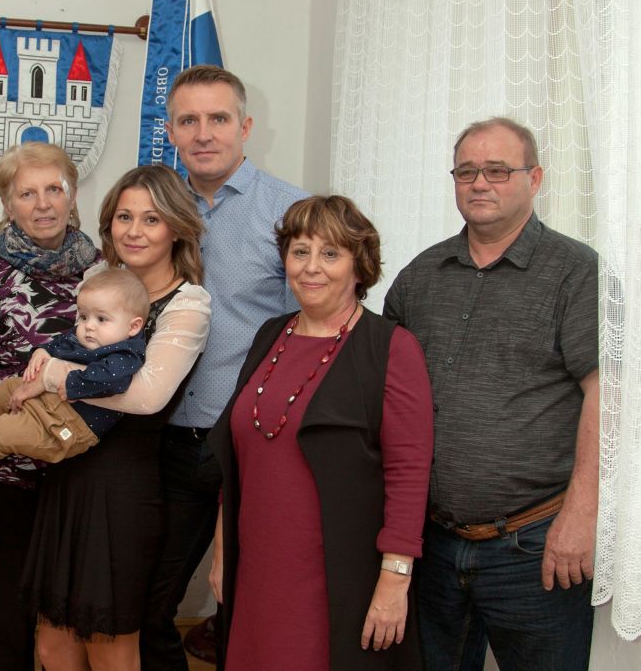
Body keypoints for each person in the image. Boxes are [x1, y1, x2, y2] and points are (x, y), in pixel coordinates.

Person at [383, 117, 599, 671]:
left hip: (533, 547)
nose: (480, 183)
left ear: (535, 178)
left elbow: (607, 398)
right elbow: (387, 401)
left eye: (498, 170)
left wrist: (582, 515)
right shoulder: (420, 276)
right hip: (432, 545)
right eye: (466, 171)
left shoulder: (576, 273)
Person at [208, 195, 433, 670]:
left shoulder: (390, 347)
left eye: (330, 253)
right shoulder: (270, 334)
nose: (311, 267)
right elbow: (237, 456)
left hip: (336, 577)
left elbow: (409, 473)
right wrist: (223, 550)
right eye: (300, 251)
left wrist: (394, 581)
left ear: (359, 265)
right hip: (256, 568)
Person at [143, 64, 310, 670]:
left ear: (245, 126)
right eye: (188, 120)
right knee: (146, 604)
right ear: (170, 131)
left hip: (250, 444)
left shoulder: (290, 212)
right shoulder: (154, 207)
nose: (204, 133)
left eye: (218, 118)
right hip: (164, 438)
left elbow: (307, 334)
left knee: (243, 610)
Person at [24, 164, 211, 670]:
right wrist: (47, 360)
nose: (134, 231)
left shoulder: (188, 305)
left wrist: (53, 376)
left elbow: (146, 396)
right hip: (68, 475)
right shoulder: (96, 282)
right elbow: (70, 351)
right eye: (124, 217)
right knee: (52, 644)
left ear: (176, 228)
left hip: (123, 489)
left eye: (151, 219)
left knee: (110, 646)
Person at [0, 142, 101, 671]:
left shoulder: (102, 272)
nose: (43, 203)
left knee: (76, 614)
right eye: (27, 193)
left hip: (83, 474)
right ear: (7, 204)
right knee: (12, 609)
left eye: (53, 189)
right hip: (10, 477)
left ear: (72, 196)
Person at [0, 267, 148, 473]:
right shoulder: (89, 335)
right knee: (7, 388)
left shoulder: (125, 355)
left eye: (101, 319)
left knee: (4, 430)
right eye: (83, 316)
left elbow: (111, 380)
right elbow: (62, 342)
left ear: (133, 326)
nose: (88, 326)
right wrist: (43, 351)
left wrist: (67, 382)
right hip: (50, 405)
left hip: (69, 428)